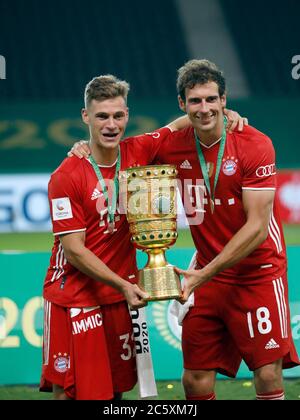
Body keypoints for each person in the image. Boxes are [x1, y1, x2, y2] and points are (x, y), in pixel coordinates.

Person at [59, 74, 247, 400]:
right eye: (102, 116)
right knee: (71, 390)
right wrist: (122, 285)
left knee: (113, 388)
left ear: (127, 116)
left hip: (121, 294)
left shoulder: (139, 150)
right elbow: (74, 251)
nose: (111, 124)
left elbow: (180, 124)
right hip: (77, 296)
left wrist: (224, 115)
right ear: (86, 117)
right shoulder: (67, 174)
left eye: (118, 115)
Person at [161, 59, 299, 400]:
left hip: (258, 272)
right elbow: (130, 150)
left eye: (211, 99)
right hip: (207, 273)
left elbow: (257, 228)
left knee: (268, 373)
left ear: (225, 100)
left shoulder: (255, 144)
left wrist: (204, 273)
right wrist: (83, 148)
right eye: (195, 101)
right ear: (182, 104)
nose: (204, 108)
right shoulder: (172, 145)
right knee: (194, 378)